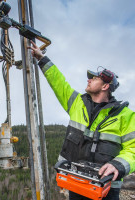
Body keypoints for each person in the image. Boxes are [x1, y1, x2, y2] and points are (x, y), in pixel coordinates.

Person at [28, 41, 135, 200]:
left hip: (106, 188)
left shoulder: (125, 115)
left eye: (94, 78)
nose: (89, 80)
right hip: (76, 182)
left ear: (105, 86)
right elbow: (59, 83)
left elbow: (133, 148)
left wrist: (117, 165)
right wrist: (42, 59)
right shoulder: (77, 103)